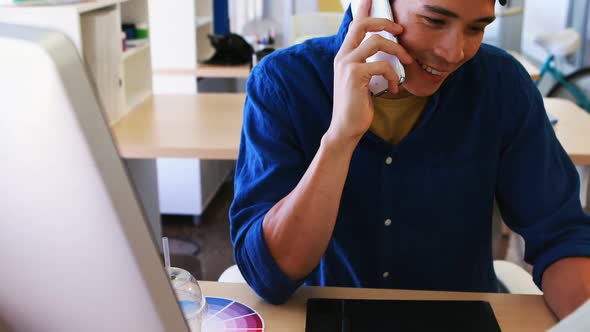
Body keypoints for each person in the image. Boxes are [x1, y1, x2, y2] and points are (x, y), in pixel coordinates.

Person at [229, 0, 590, 319]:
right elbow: (270, 276)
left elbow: (560, 235)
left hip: (461, 317)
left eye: (476, 27)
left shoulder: (501, 83)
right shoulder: (284, 82)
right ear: (376, 6)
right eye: (434, 20)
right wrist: (339, 139)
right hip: (327, 313)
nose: (454, 52)